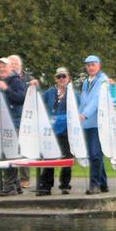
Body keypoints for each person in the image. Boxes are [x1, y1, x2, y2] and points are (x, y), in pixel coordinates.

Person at [79, 55, 116, 194]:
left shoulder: (103, 80)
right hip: (87, 124)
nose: (90, 67)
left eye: (93, 64)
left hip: (98, 123)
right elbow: (83, 100)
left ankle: (94, 185)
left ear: (99, 65)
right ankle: (103, 183)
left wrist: (84, 114)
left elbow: (96, 100)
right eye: (88, 65)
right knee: (94, 155)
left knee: (95, 154)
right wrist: (78, 115)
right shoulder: (86, 82)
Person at [37, 67, 76, 196]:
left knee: (67, 158)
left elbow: (79, 110)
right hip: (51, 131)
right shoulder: (49, 93)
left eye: (63, 76)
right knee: (49, 158)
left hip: (67, 131)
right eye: (59, 77)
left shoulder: (73, 94)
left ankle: (65, 185)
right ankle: (46, 186)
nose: (61, 79)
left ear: (68, 78)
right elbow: (38, 103)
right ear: (55, 78)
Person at [0, 57, 26, 196]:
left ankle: (9, 187)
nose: (1, 69)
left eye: (4, 67)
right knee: (6, 154)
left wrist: (6, 89)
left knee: (9, 155)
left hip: (14, 123)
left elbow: (21, 98)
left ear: (10, 68)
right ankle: (16, 185)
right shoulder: (0, 82)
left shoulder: (15, 81)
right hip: (3, 124)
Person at [8, 54, 37, 189]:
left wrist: (36, 86)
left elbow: (35, 96)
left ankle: (25, 178)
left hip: (25, 119)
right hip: (9, 118)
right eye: (11, 63)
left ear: (21, 65)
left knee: (23, 149)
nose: (13, 65)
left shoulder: (28, 79)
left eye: (15, 63)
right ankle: (10, 179)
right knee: (9, 150)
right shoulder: (4, 78)